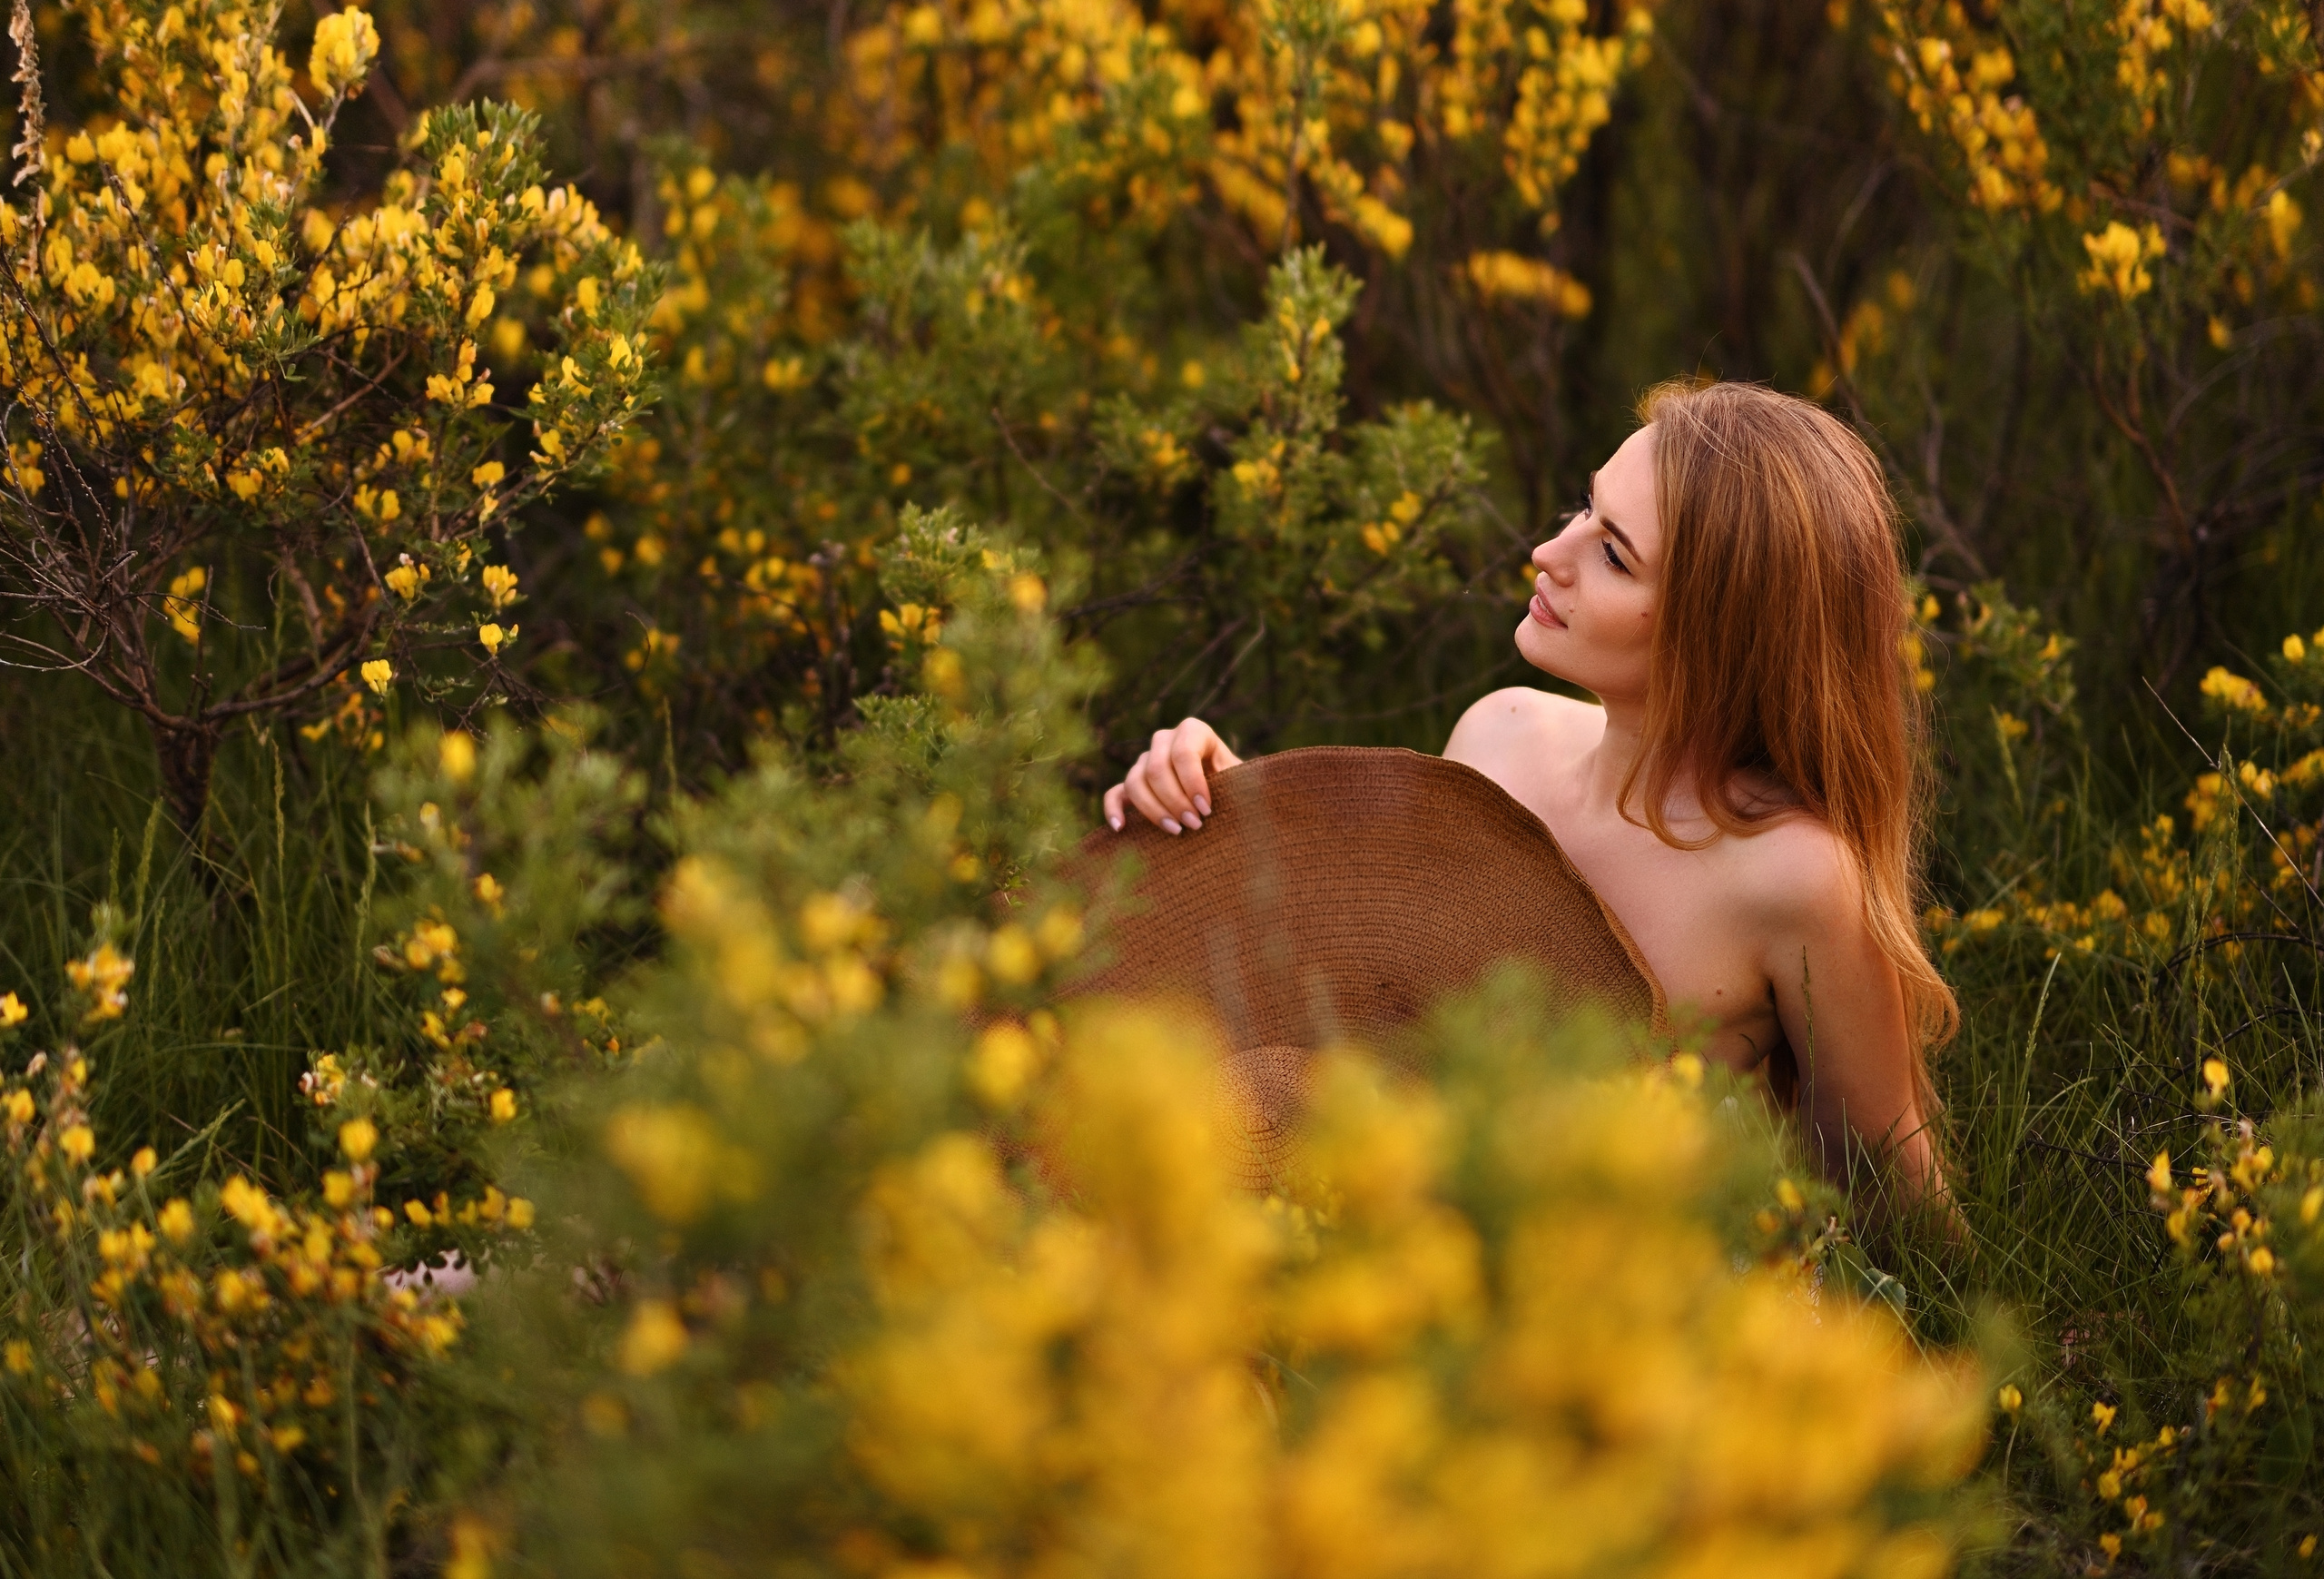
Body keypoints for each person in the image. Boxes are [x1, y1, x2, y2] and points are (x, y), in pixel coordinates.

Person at [1102, 380, 1956, 1206]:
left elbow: (1891, 1189)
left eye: (1614, 553)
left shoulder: (1793, 876)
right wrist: (1222, 795)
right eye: (1584, 509)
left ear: (1721, 633)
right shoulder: (1500, 736)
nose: (1549, 555)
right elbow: (1369, 972)